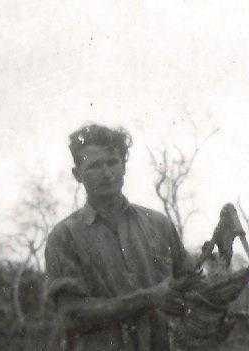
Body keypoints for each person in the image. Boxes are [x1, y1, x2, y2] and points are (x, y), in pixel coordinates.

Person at [45, 123, 194, 350]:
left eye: (113, 162)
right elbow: (72, 313)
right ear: (77, 174)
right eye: (94, 165)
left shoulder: (159, 224)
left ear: (124, 166)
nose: (106, 173)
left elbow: (190, 287)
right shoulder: (64, 236)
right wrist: (149, 298)